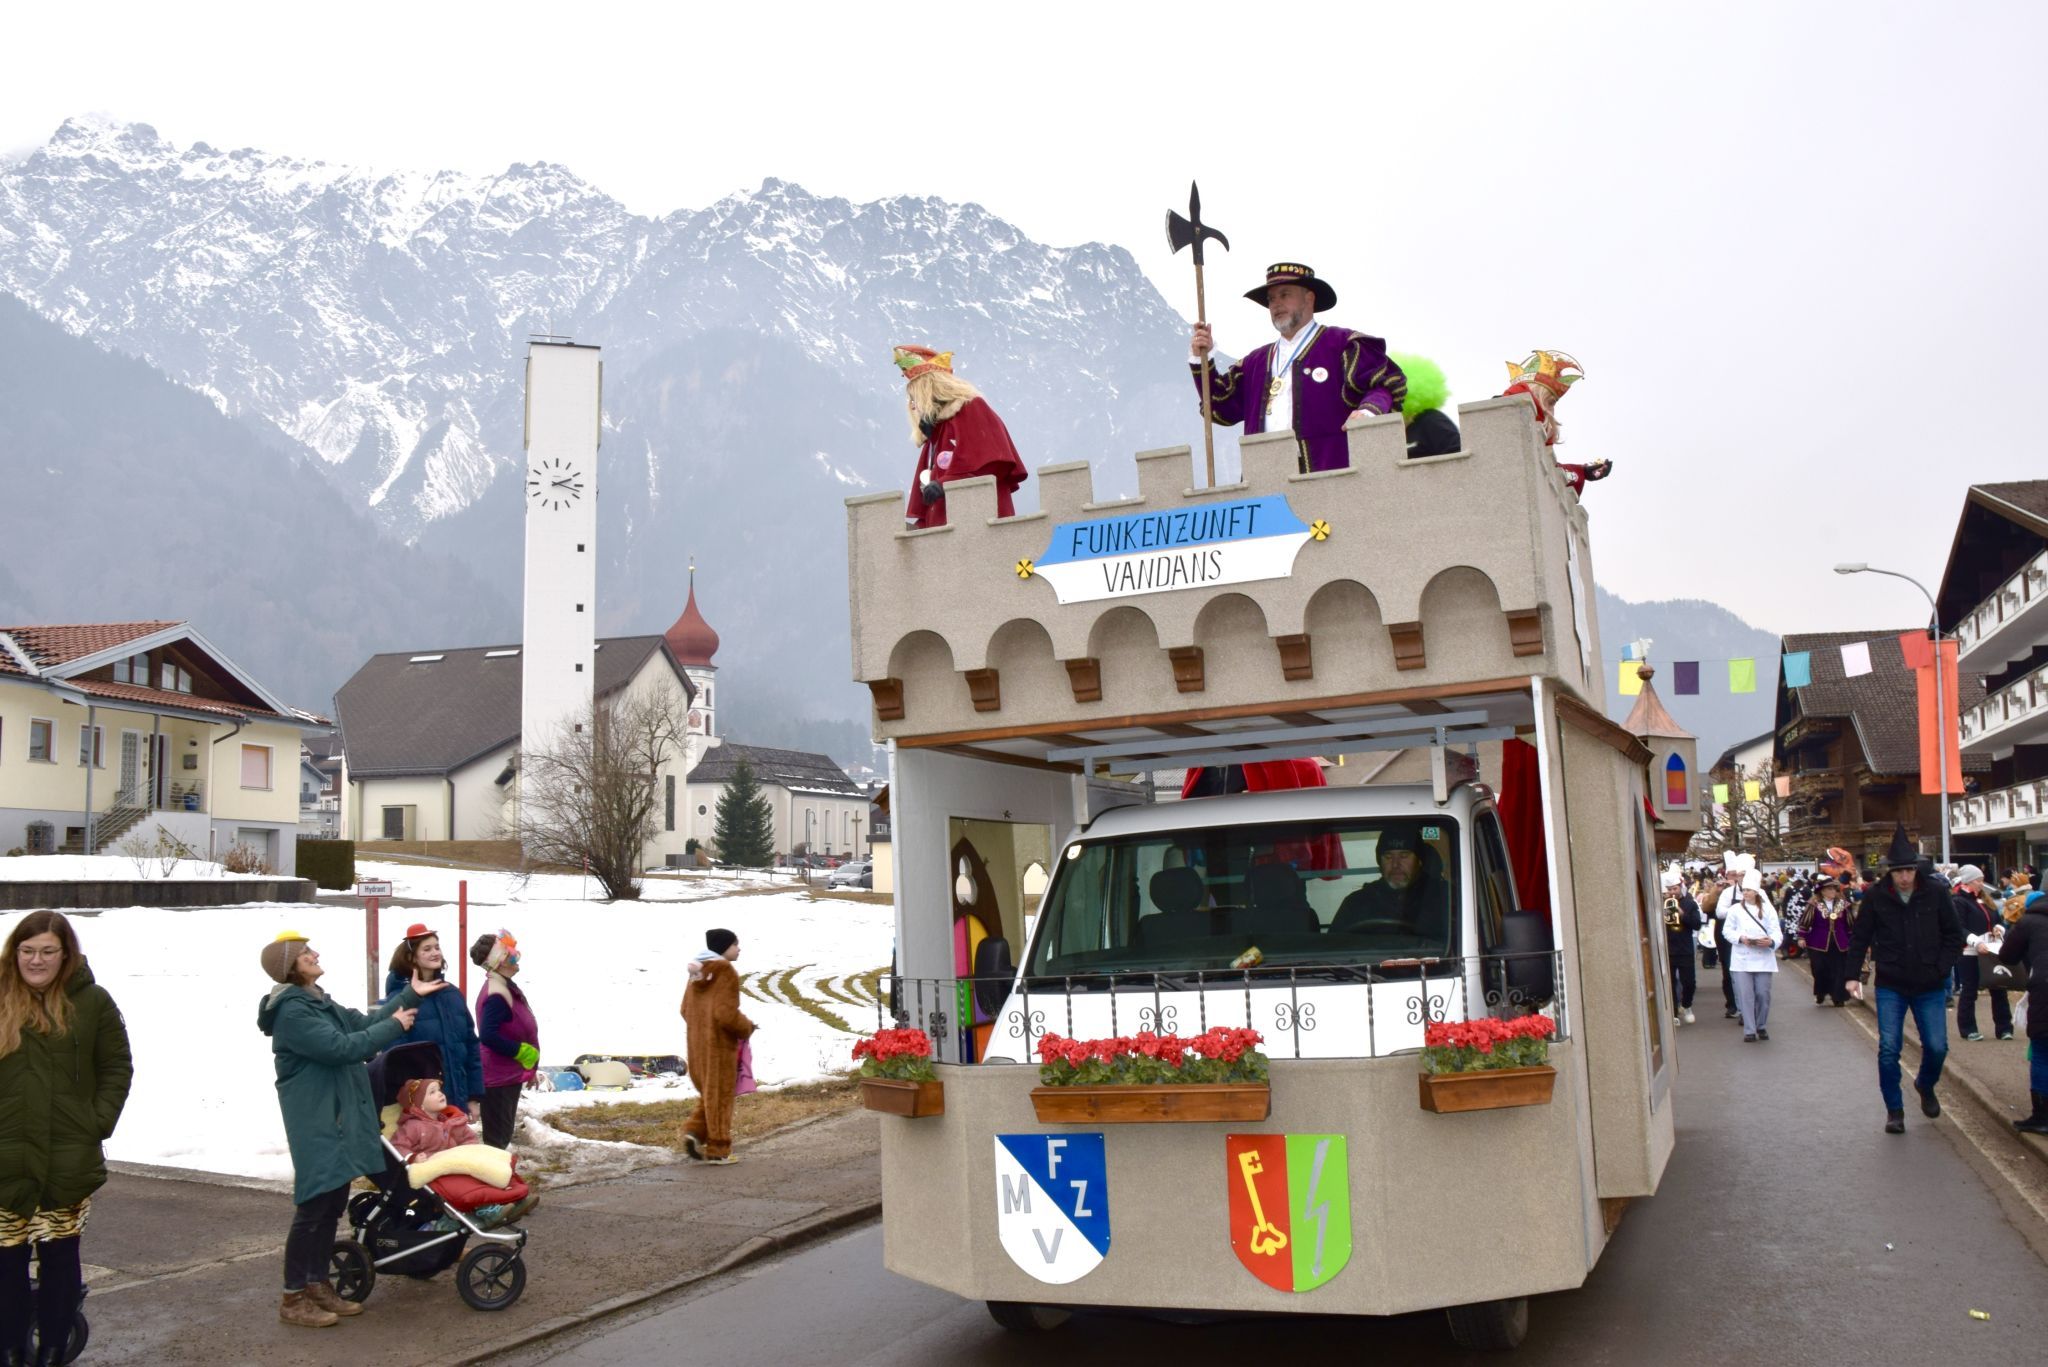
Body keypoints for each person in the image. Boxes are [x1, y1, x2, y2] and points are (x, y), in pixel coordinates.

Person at [257, 929, 441, 1328]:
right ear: (291, 965)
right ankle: (293, 1297)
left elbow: (363, 1022)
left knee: (330, 1207)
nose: (315, 953)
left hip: (338, 1121)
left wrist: (410, 995)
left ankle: (318, 1284)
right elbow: (345, 1048)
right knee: (312, 1208)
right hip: (317, 1123)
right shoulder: (293, 1013)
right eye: (306, 953)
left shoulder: (318, 1002)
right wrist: (395, 1023)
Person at [0, 912, 132, 1366]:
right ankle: (12, 1351)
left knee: (60, 1259)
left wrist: (94, 1122)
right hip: (5, 1156)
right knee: (4, 1264)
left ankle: (55, 1349)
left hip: (67, 1156)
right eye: (27, 950)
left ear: (65, 954)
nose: (36, 960)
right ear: (14, 953)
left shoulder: (92, 1002)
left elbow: (116, 1066)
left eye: (47, 951)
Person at [1190, 262, 1405, 474]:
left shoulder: (1341, 344)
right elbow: (1218, 406)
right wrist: (1203, 359)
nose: (1276, 304)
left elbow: (1384, 385)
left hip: (1326, 476)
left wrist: (1368, 411)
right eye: (1271, 299)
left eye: (1285, 295)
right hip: (1265, 480)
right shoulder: (1255, 362)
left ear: (1309, 298)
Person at [1848, 826, 1965, 1134]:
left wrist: (1941, 968)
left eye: (1909, 870)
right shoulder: (1876, 896)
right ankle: (1895, 1110)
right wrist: (1851, 976)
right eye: (1899, 871)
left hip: (1929, 982)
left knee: (1937, 1047)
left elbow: (1954, 935)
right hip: (1891, 981)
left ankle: (1925, 1084)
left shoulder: (1936, 892)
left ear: (1916, 869)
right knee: (1889, 1047)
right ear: (1890, 871)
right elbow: (1860, 936)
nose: (1904, 877)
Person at [894, 346, 1028, 529]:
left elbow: (993, 463)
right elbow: (928, 491)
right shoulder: (936, 432)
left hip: (980, 524)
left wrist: (944, 484)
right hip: (947, 532)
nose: (914, 405)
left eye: (915, 396)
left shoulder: (973, 408)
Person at [390, 1078, 538, 1228]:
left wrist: (470, 1152)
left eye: (439, 1090)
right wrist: (413, 1158)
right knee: (466, 1187)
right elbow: (398, 1145)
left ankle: (512, 1197)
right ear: (419, 1104)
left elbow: (469, 1139)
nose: (440, 1094)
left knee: (490, 1169)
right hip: (436, 1171)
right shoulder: (413, 1126)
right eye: (432, 1092)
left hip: (459, 1163)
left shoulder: (452, 1121)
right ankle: (487, 1210)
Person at [383, 924, 485, 1122]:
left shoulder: (452, 994)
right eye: (427, 949)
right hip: (421, 1107)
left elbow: (471, 1046)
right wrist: (417, 1099)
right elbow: (396, 1055)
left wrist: (473, 1096)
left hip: (456, 1097)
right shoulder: (401, 999)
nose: (435, 953)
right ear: (412, 957)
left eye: (437, 947)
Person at [681, 929, 756, 1164]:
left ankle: (694, 1132)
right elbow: (725, 1014)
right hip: (720, 1048)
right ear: (724, 947)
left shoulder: (698, 972)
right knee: (721, 1097)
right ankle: (718, 1149)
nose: (739, 949)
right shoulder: (725, 971)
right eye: (735, 944)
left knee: (710, 1095)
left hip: (697, 1046)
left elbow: (685, 1009)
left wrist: (701, 1027)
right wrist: (747, 1027)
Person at [471, 931, 539, 1152]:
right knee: (496, 1140)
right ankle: (495, 1181)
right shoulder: (496, 994)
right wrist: (521, 1052)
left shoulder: (504, 985)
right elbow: (488, 1035)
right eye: (511, 958)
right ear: (497, 963)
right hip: (497, 1079)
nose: (516, 961)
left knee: (502, 1134)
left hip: (507, 1074)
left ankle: (499, 1180)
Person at [1330, 826, 1452, 943]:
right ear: (1379, 862)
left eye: (1404, 856)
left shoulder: (1445, 898)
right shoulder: (1356, 903)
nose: (1395, 865)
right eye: (1388, 857)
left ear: (1419, 861)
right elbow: (1334, 949)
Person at [1997, 891, 2048, 1134]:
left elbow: (2007, 955)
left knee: (2042, 1050)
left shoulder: (2029, 920)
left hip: (2044, 987)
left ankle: (2042, 1116)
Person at [1951, 865, 2013, 1042]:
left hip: (1990, 951)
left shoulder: (1985, 901)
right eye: (1978, 880)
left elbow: (1997, 920)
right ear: (1968, 881)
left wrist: (1999, 929)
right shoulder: (1959, 902)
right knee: (1969, 991)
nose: (1981, 883)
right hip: (1970, 953)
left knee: (1999, 989)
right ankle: (1968, 1028)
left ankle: (2004, 1028)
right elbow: (1958, 927)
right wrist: (1975, 942)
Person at [1725, 871, 1783, 1042]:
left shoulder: (1767, 909)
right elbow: (1727, 930)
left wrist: (1771, 942)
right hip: (1742, 958)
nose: (1746, 893)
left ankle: (1761, 1025)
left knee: (1763, 994)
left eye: (1749, 890)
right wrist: (1740, 938)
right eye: (1744, 890)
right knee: (1746, 995)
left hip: (1763, 958)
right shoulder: (1735, 909)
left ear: (1757, 891)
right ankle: (1749, 1030)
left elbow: (1776, 931)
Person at [1800, 878, 1855, 1006]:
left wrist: (1853, 939)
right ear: (1822, 891)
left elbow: (1850, 924)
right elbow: (1805, 921)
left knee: (1839, 970)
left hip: (1840, 942)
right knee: (1819, 969)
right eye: (1829, 889)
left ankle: (1838, 997)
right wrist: (1802, 937)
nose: (1832, 891)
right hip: (1818, 943)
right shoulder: (1814, 904)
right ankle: (1821, 992)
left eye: (1834, 889)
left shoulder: (1843, 904)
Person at [1662, 869, 1701, 1025]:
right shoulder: (1662, 904)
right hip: (1669, 948)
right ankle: (1674, 1012)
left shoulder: (1690, 903)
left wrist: (1682, 914)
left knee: (1689, 982)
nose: (1672, 892)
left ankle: (1687, 1005)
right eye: (1669, 889)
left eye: (1675, 889)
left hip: (1685, 948)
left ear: (1680, 887)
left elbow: (1697, 924)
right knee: (1670, 983)